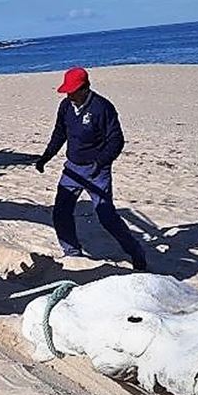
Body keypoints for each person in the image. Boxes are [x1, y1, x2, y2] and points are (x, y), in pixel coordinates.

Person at [36, 67, 147, 271]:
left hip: (97, 171)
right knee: (61, 212)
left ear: (85, 88)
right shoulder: (66, 106)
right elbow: (59, 133)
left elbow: (116, 141)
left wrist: (100, 163)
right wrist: (46, 156)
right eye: (67, 91)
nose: (69, 95)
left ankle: (136, 252)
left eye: (73, 91)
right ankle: (72, 253)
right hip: (72, 169)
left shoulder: (102, 108)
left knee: (106, 216)